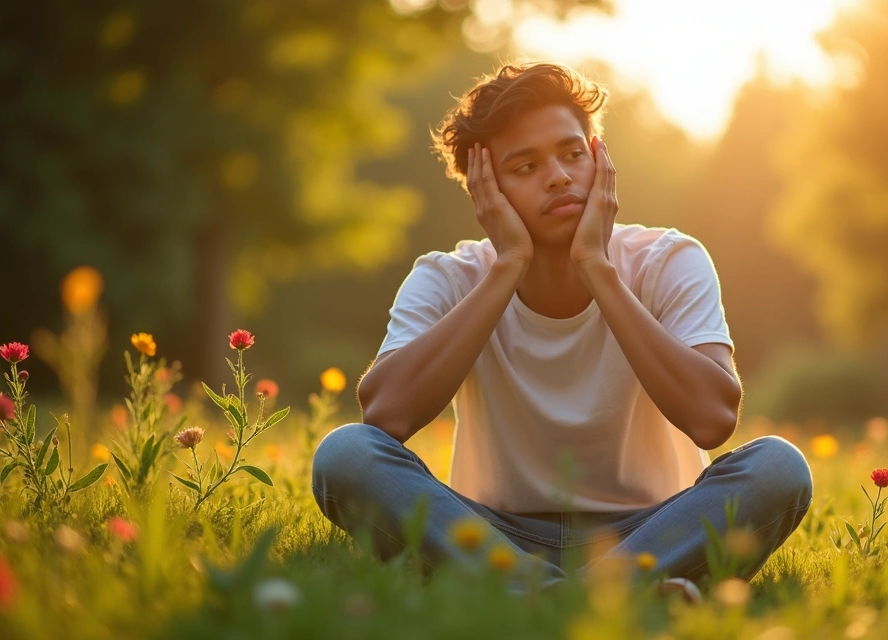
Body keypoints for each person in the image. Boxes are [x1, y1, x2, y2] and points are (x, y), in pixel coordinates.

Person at [311, 61, 812, 595]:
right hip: (491, 535)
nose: (558, 176)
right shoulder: (448, 276)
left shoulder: (669, 259)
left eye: (573, 154)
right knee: (345, 454)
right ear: (486, 190)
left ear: (601, 160)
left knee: (779, 467)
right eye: (525, 167)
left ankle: (542, 596)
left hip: (656, 530)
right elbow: (385, 415)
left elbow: (713, 419)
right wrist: (508, 266)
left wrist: (597, 265)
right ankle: (599, 594)